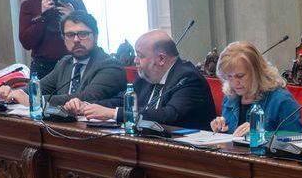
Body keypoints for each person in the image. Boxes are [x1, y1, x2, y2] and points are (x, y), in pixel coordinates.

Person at [69, 29, 216, 130]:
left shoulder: (188, 78)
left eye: (140, 55)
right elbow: (122, 100)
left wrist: (113, 114)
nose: (135, 60)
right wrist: (87, 106)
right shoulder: (146, 75)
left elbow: (168, 115)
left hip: (186, 154)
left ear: (161, 59)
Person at [0, 10, 125, 108]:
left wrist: (34, 101)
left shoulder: (111, 66)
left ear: (95, 36)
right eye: (70, 35)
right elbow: (39, 88)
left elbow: (87, 97)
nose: (76, 40)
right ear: (63, 38)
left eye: (83, 34)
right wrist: (13, 93)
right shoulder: (65, 62)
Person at [209, 41, 302, 136]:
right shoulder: (230, 97)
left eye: (240, 76)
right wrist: (220, 129)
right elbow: (232, 137)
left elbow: (297, 137)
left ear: (257, 72)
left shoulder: (281, 100)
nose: (234, 83)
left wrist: (261, 134)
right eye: (229, 76)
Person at [18, 0, 87, 79]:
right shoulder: (28, 5)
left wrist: (73, 17)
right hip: (43, 68)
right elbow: (26, 43)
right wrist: (42, 16)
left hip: (74, 63)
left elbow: (90, 36)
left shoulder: (74, 2)